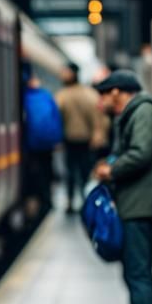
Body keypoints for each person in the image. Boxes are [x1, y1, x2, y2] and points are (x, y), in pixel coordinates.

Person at [92, 69, 152, 304]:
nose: (100, 102)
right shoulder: (132, 114)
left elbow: (141, 153)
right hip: (135, 202)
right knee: (135, 272)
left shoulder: (144, 112)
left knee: (138, 273)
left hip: (141, 204)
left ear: (116, 92)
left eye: (103, 94)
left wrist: (112, 169)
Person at [55, 62, 99, 213]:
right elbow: (97, 118)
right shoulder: (90, 94)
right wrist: (96, 136)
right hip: (87, 140)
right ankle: (86, 199)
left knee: (70, 171)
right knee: (85, 171)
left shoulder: (62, 95)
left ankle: (70, 201)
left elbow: (56, 117)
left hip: (69, 139)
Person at [21, 62, 62, 217]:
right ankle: (47, 201)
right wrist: (57, 139)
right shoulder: (46, 95)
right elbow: (56, 118)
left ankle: (36, 202)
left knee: (34, 173)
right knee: (47, 171)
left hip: (31, 144)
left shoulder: (24, 97)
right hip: (47, 144)